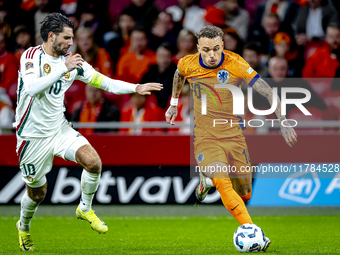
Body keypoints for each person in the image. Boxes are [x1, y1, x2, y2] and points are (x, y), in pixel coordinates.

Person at [15, 13, 162, 251]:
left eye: (72, 38)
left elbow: (106, 83)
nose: (71, 43)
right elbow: (32, 89)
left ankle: (84, 208)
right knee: (37, 193)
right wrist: (63, 68)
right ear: (51, 36)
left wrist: (136, 87)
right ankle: (24, 226)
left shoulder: (73, 63)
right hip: (31, 137)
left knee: (93, 162)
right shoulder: (32, 56)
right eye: (67, 38)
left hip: (59, 129)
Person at [165, 25, 298, 252]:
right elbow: (179, 76)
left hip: (235, 136)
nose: (212, 54)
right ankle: (253, 232)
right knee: (223, 181)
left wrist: (283, 120)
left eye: (216, 48)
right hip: (206, 137)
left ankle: (206, 181)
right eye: (206, 50)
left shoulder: (236, 64)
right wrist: (173, 104)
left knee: (245, 192)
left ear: (223, 45)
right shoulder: (188, 63)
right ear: (198, 48)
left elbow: (266, 90)